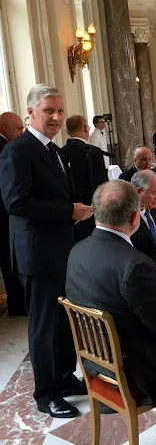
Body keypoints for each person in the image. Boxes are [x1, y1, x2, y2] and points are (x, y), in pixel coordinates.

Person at [66, 180, 156, 441]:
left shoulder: (77, 251)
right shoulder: (135, 265)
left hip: (95, 362)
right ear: (135, 217)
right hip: (135, 373)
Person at [0, 84, 94, 418]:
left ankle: (65, 376)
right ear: (31, 113)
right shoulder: (18, 150)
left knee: (64, 320)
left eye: (58, 111)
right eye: (47, 111)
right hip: (38, 254)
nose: (55, 117)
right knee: (44, 325)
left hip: (61, 249)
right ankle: (46, 393)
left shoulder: (54, 150)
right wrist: (68, 211)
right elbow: (15, 202)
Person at [61, 115, 109, 240]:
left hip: (68, 211)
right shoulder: (94, 153)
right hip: (91, 209)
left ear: (67, 132)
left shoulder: (60, 153)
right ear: (86, 128)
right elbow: (102, 186)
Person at [0, 111, 26, 316]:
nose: (21, 132)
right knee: (10, 262)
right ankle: (17, 304)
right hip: (5, 216)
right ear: (5, 127)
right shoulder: (6, 149)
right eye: (18, 128)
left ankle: (17, 302)